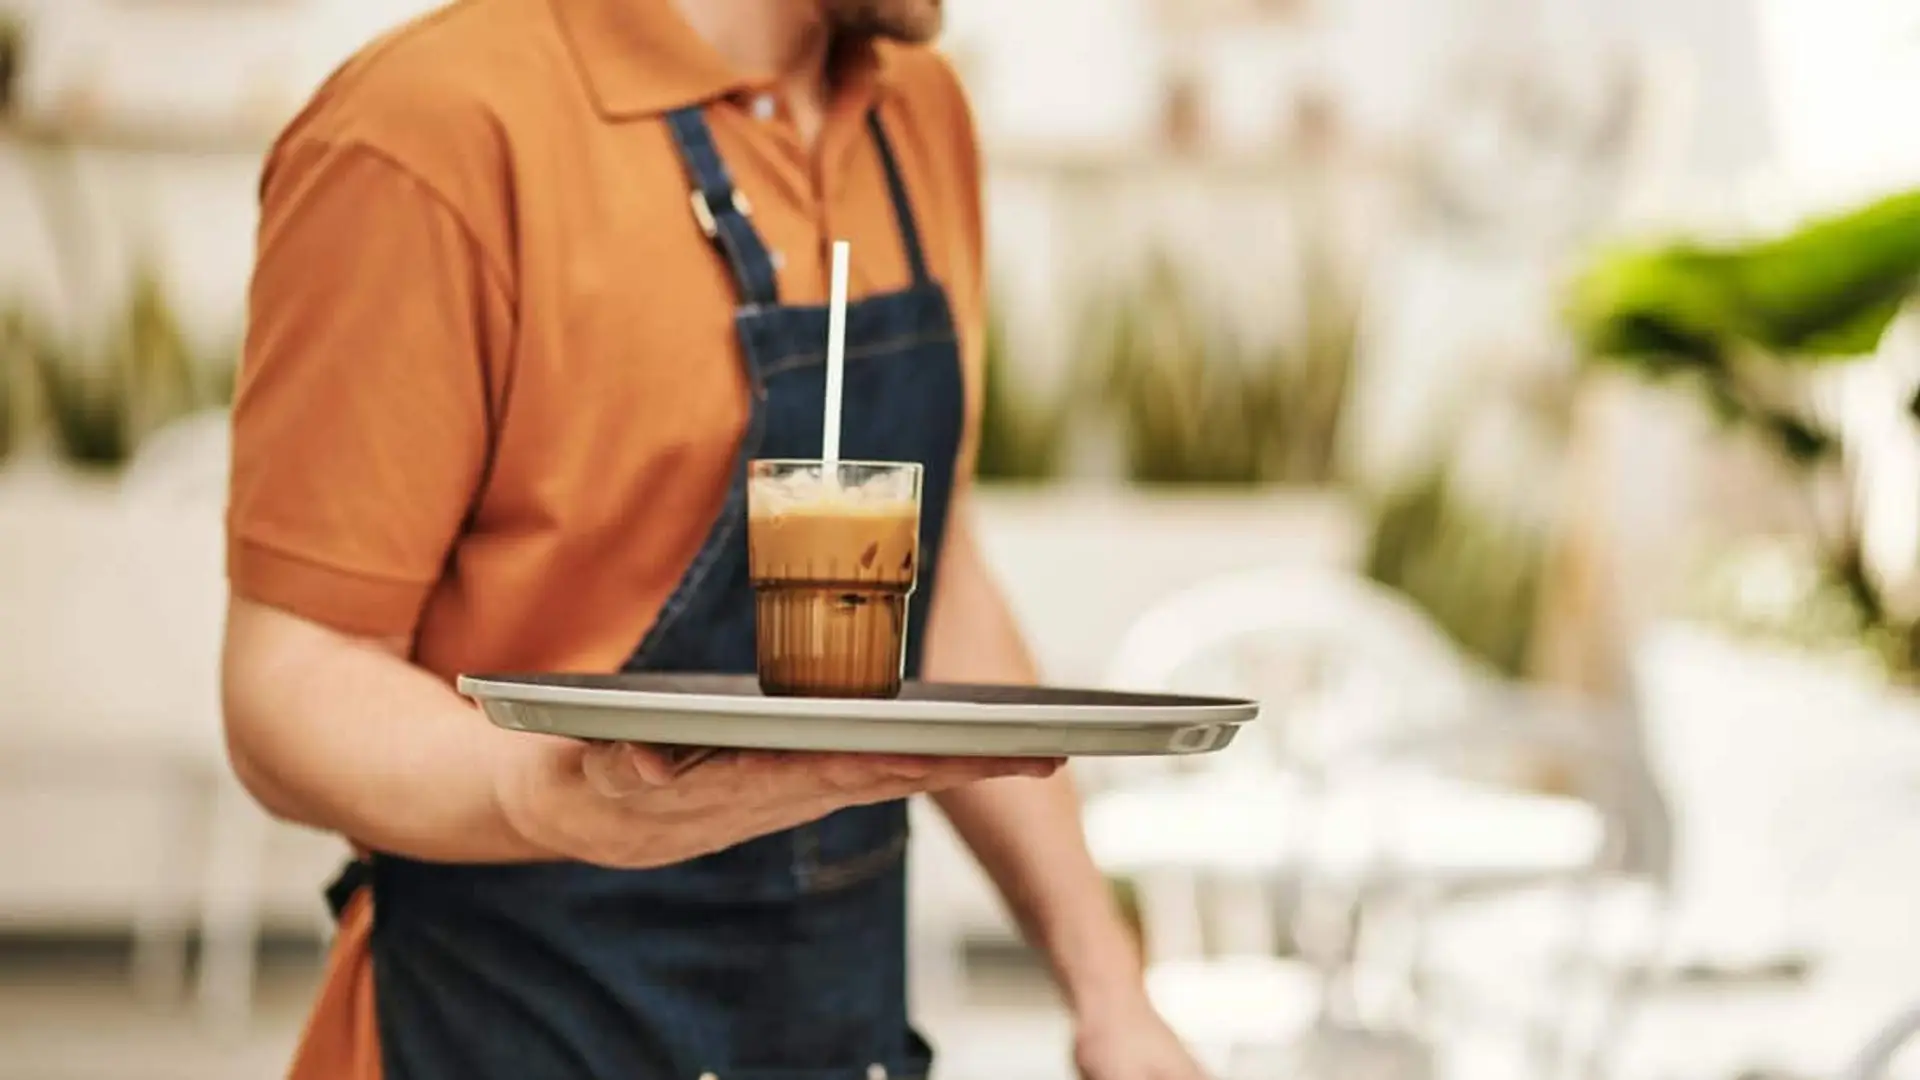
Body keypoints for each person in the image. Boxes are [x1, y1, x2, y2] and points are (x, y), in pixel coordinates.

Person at [220, 0, 1208, 1077]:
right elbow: (290, 680)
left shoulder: (916, 110)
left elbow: (931, 571)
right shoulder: (430, 127)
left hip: (835, 1031)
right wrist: (555, 793)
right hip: (503, 1029)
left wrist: (1110, 990)